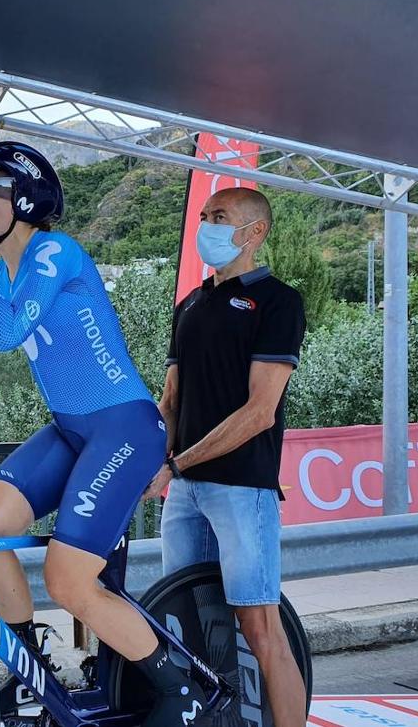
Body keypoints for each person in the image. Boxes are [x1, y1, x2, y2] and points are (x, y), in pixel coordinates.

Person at [0, 141, 205, 725]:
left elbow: (6, 334)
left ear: (21, 200)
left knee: (69, 582)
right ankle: (33, 668)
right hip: (74, 430)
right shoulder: (5, 275)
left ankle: (182, 691)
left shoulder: (56, 253)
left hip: (124, 426)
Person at [145, 187, 307, 727]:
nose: (208, 225)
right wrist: (153, 461)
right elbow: (169, 400)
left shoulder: (279, 301)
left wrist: (178, 463)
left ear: (254, 232)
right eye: (205, 216)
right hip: (184, 490)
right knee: (185, 625)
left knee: (261, 630)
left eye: (221, 217)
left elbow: (261, 411)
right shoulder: (189, 303)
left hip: (241, 487)